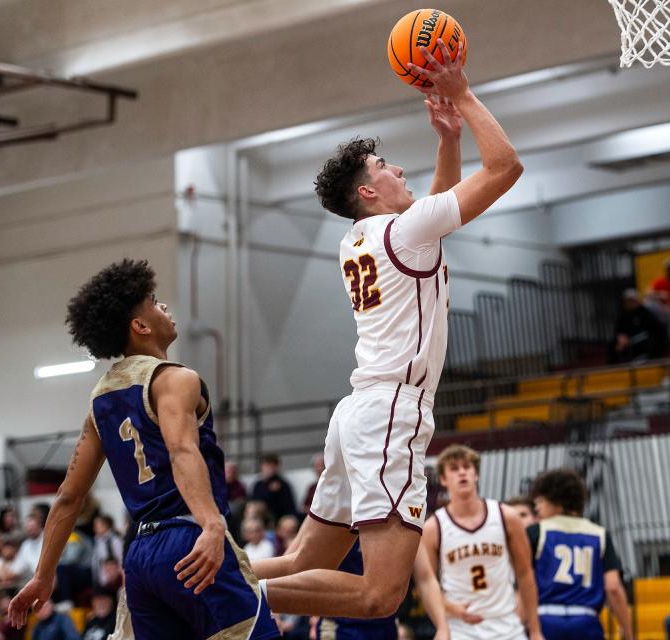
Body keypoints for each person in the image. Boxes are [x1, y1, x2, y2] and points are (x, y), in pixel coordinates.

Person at [253, 39, 524, 622]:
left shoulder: (361, 238)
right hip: (393, 411)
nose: (399, 168)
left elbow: (436, 211)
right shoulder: (402, 233)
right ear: (369, 193)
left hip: (357, 412)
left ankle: (203, 582)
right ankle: (219, 598)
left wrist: (448, 138)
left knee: (304, 557)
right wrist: (464, 95)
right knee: (380, 597)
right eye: (384, 167)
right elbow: (505, 167)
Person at [7, 259, 279, 639]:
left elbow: (69, 497)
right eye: (154, 300)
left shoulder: (99, 402)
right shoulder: (176, 380)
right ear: (141, 326)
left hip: (139, 557)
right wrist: (212, 522)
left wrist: (42, 575)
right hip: (188, 537)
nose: (163, 306)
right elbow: (182, 450)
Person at [422, 445, 541, 640]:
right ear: (443, 479)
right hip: (461, 628)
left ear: (475, 474)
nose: (462, 472)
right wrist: (450, 607)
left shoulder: (507, 516)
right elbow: (427, 584)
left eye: (467, 467)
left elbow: (525, 574)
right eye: (454, 468)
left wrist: (535, 631)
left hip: (506, 625)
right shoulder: (433, 527)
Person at [528, 469, 631, 640]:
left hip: (546, 620)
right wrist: (627, 632)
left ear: (556, 501)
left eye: (540, 501)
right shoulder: (600, 534)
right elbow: (613, 587)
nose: (537, 508)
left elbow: (526, 584)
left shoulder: (536, 532)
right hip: (586, 621)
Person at [315, 540, 449, 640]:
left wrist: (442, 628)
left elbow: (425, 579)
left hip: (386, 626)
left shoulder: (401, 513)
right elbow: (306, 564)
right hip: (342, 627)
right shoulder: (340, 510)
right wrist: (312, 610)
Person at [610, 288, 667, 363]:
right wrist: (620, 337)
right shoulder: (622, 315)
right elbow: (618, 331)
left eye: (632, 300)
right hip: (629, 344)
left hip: (645, 342)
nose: (630, 303)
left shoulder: (644, 312)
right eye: (628, 301)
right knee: (614, 346)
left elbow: (656, 328)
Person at [251, 454, 298, 523]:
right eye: (267, 466)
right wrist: (269, 492)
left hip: (279, 517)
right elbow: (254, 501)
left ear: (277, 467)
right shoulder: (258, 484)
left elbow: (289, 506)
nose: (269, 469)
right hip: (261, 518)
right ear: (262, 467)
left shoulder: (283, 484)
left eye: (272, 466)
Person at [91, 514, 123, 588]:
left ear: (105, 525)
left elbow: (121, 559)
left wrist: (118, 576)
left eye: (97, 525)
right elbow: (96, 562)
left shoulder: (115, 541)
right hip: (100, 580)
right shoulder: (97, 541)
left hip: (114, 579)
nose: (94, 528)